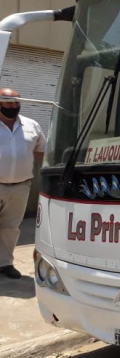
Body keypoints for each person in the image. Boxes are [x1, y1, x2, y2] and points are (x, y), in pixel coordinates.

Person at [0, 88, 46, 279]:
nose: (14, 105)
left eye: (17, 101)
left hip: (21, 186)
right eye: (9, 102)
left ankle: (5, 263)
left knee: (10, 228)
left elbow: (41, 150)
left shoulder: (31, 125)